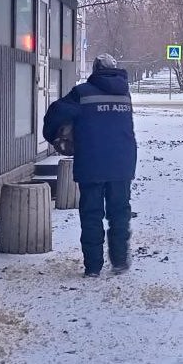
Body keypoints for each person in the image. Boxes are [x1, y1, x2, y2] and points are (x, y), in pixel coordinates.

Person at [43, 54, 137, 278]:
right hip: (122, 163)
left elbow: (56, 112)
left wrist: (52, 135)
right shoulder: (125, 94)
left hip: (91, 163)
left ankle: (93, 266)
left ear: (95, 70)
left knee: (91, 214)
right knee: (119, 212)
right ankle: (120, 261)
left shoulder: (82, 93)